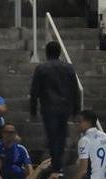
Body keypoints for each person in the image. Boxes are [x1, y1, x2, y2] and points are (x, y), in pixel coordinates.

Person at [28, 41, 79, 170]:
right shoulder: (68, 68)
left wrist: (33, 109)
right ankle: (58, 162)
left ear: (46, 52)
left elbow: (35, 90)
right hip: (65, 106)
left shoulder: (41, 68)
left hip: (48, 106)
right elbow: (75, 89)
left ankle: (55, 164)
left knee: (52, 136)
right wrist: (76, 110)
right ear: (59, 52)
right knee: (61, 135)